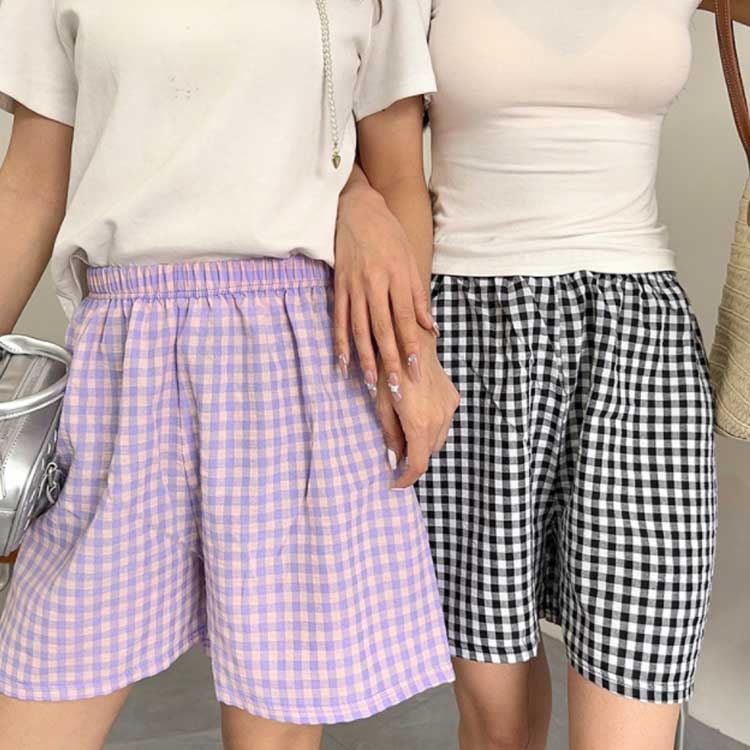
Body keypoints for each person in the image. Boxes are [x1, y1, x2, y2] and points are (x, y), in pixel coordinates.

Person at [0, 1, 457, 748]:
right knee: (41, 690)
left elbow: (400, 175)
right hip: (123, 360)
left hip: (301, 353)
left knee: (274, 728)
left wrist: (407, 361)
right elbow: (30, 184)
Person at [335, 1, 748, 748]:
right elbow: (391, 171)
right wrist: (410, 362)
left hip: (639, 342)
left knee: (636, 699)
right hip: (469, 334)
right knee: (498, 725)